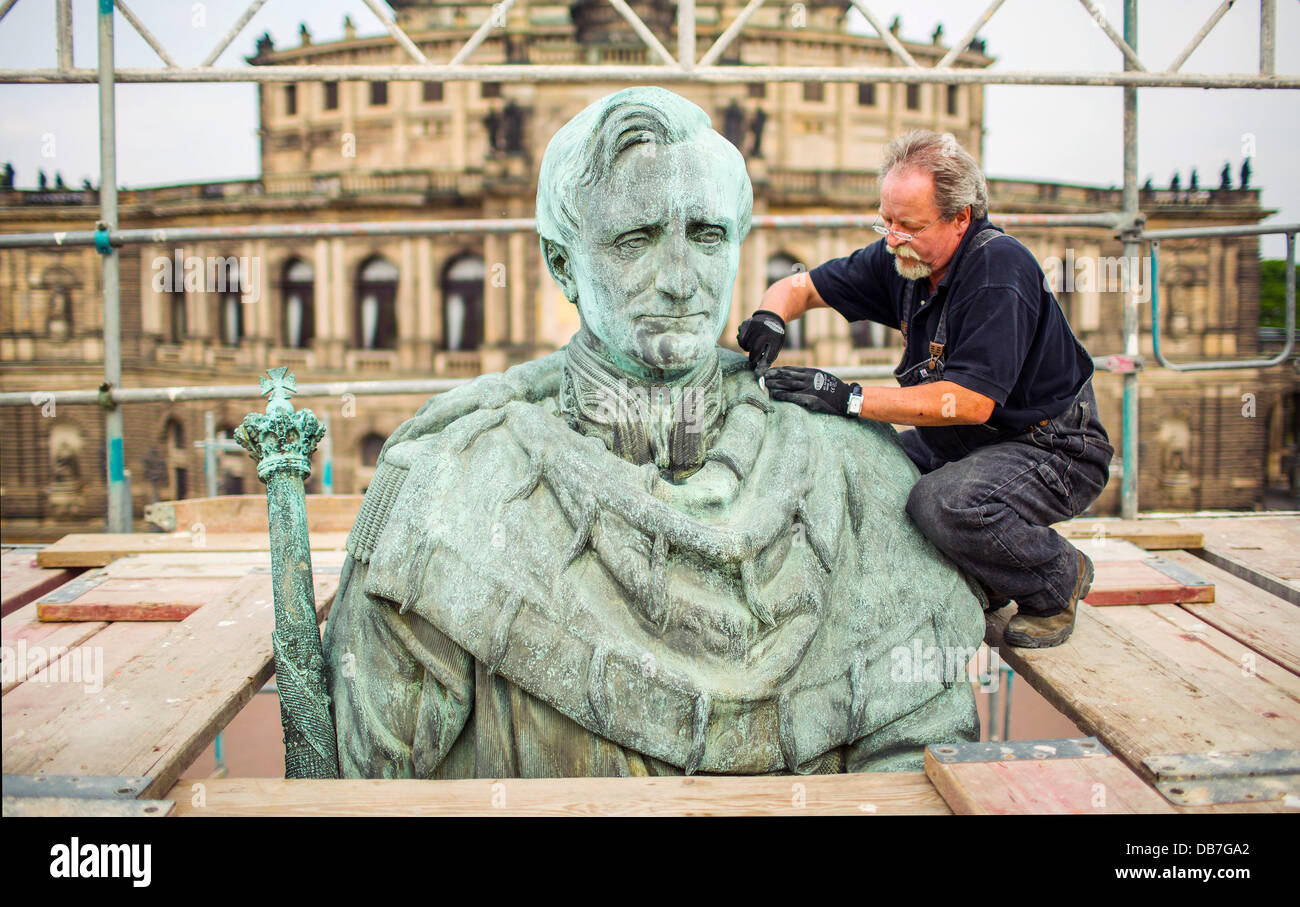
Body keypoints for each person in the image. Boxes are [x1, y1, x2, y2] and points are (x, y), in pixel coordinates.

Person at [322, 89, 985, 779]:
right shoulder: (445, 491)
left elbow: (924, 752)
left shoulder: (855, 472)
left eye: (706, 236)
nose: (679, 281)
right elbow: (371, 788)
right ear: (561, 262)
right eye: (634, 240)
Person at [738, 130, 1113, 649]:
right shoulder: (904, 258)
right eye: (885, 221)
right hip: (968, 441)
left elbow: (967, 401)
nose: (891, 237)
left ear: (961, 218)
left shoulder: (999, 270)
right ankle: (992, 574)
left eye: (908, 225)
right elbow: (800, 286)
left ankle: (1056, 579)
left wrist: (848, 397)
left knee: (943, 504)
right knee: (861, 462)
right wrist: (770, 316)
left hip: (1053, 449)